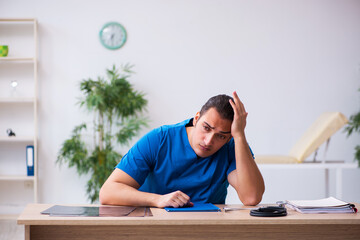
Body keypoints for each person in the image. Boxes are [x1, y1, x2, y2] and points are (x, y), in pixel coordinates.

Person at [99, 91, 265, 208]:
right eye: (206, 128)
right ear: (197, 118)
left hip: (208, 229)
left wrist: (240, 136)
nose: (208, 141)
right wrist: (158, 200)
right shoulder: (160, 138)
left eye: (221, 136)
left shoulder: (233, 146)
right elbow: (108, 192)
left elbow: (251, 197)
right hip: (154, 226)